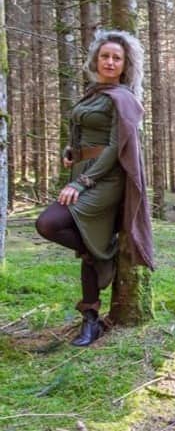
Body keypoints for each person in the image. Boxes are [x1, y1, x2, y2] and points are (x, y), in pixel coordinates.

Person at [35, 30, 154, 347]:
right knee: (88, 245)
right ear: (96, 60)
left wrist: (82, 181)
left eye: (117, 58)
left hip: (106, 179)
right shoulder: (93, 93)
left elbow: (116, 147)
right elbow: (83, 131)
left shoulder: (123, 99)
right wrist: (71, 152)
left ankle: (105, 255)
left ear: (125, 64)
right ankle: (90, 318)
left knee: (48, 223)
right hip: (83, 171)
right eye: (105, 56)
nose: (110, 62)